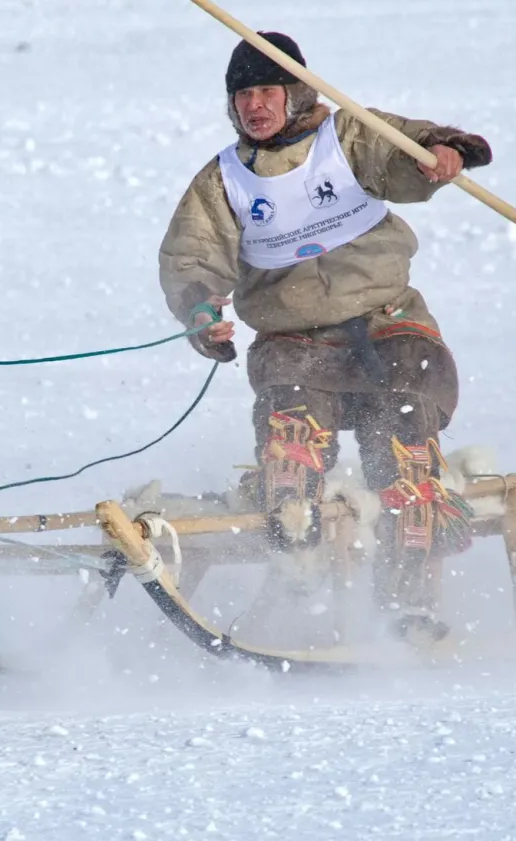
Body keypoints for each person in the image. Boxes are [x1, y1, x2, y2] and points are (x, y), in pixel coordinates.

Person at [158, 32, 494, 635]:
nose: (254, 106)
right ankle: (301, 573)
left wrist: (441, 153)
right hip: (295, 339)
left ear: (294, 94)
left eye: (266, 91)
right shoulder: (225, 180)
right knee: (291, 444)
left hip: (390, 322)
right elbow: (192, 256)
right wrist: (202, 314)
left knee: (404, 440)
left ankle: (409, 603)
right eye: (242, 96)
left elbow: (406, 150)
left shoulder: (346, 140)